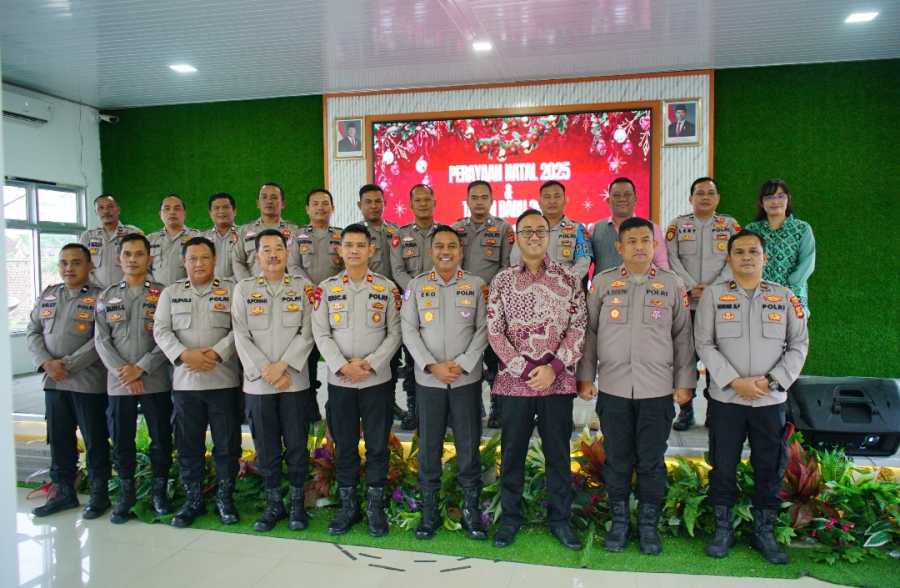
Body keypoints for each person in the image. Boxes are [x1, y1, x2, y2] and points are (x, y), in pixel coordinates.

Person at [577, 217, 695, 556]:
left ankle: (647, 525)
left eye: (645, 240)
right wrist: (585, 376)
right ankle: (619, 523)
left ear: (655, 245)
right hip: (614, 389)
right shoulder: (602, 283)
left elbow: (683, 338)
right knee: (616, 459)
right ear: (619, 247)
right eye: (632, 241)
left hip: (657, 391)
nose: (639, 246)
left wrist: (684, 383)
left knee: (651, 462)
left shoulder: (672, 284)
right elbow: (590, 333)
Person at [695, 230, 809, 564]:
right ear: (729, 259)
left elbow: (799, 345)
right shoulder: (714, 296)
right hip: (727, 400)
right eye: (739, 252)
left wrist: (772, 381)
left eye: (753, 252)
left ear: (765, 258)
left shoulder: (785, 297)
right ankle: (722, 529)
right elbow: (704, 343)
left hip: (769, 402)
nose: (747, 257)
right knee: (723, 465)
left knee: (769, 467)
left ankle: (764, 532)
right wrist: (734, 381)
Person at [487, 209, 586, 551]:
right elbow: (495, 331)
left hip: (557, 382)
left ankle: (560, 519)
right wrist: (524, 368)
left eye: (540, 231)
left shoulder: (569, 278)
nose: (534, 236)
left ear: (549, 236)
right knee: (512, 452)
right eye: (526, 231)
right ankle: (510, 519)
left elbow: (578, 327)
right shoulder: (502, 281)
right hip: (514, 383)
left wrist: (553, 368)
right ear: (516, 237)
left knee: (558, 453)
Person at [313, 224, 402, 537]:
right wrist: (342, 366)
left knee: (378, 445)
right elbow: (321, 333)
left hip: (376, 381)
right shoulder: (326, 289)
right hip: (341, 383)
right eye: (348, 245)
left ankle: (375, 507)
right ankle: (349, 507)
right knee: (345, 446)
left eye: (360, 245)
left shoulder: (386, 288)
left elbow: (395, 333)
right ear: (339, 250)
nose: (354, 250)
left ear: (371, 250)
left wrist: (371, 364)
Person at [401, 226, 488, 541]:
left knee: (468, 446)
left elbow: (484, 329)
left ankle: (470, 510)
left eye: (452, 246)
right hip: (429, 381)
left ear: (461, 250)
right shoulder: (416, 285)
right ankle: (429, 511)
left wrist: (463, 363)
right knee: (429, 447)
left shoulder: (476, 285)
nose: (445, 251)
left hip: (465, 380)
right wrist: (431, 365)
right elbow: (409, 330)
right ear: (431, 251)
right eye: (439, 246)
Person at [231, 229, 317, 532]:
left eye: (278, 248)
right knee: (266, 448)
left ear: (287, 252)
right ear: (256, 255)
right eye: (266, 249)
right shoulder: (243, 289)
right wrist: (266, 370)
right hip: (259, 384)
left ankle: (297, 506)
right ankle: (273, 505)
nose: (272, 255)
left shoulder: (303, 287)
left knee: (296, 445)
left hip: (293, 381)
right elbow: (240, 334)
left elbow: (309, 332)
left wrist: (283, 367)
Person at [153, 236, 242, 528]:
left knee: (227, 446)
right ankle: (193, 500)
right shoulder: (171, 293)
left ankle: (225, 499)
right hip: (186, 384)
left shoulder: (232, 290)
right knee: (189, 445)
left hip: (223, 381)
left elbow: (240, 328)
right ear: (184, 261)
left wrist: (217, 353)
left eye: (205, 257)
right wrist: (184, 355)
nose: (199, 263)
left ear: (214, 259)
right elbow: (161, 330)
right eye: (193, 258)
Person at [26, 243, 111, 519]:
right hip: (54, 383)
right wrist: (46, 362)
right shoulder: (49, 295)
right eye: (64, 262)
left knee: (95, 440)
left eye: (76, 262)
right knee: (60, 440)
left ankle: (99, 494)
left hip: (88, 383)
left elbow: (101, 339)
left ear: (90, 266)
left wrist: (67, 365)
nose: (69, 268)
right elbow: (33, 331)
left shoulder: (101, 297)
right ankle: (64, 492)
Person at [94, 234, 173, 524]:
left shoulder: (163, 294)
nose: (133, 259)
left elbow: (168, 336)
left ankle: (159, 493)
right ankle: (126, 496)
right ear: (119, 259)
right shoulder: (106, 296)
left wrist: (141, 368)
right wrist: (124, 372)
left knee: (161, 439)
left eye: (139, 254)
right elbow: (101, 340)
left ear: (149, 258)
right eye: (127, 254)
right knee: (121, 440)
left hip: (155, 380)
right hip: (119, 383)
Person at [665, 177, 742, 431]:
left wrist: (713, 288)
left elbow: (734, 259)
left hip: (718, 305)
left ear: (717, 198)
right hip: (686, 305)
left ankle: (714, 411)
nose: (705, 197)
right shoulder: (678, 225)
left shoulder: (729, 226)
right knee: (684, 359)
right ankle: (685, 412)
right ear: (691, 198)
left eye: (710, 193)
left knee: (717, 358)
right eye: (700, 193)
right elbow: (671, 258)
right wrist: (689, 285)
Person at [452, 180, 514, 428]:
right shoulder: (456, 229)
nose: (479, 202)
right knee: (468, 355)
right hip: (462, 304)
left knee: (494, 357)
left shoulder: (503, 229)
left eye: (484, 197)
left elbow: (507, 266)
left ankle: (497, 408)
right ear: (467, 201)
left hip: (493, 303)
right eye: (474, 197)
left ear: (491, 200)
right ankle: (473, 406)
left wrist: (489, 290)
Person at [288, 188, 344, 415]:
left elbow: (349, 266)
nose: (320, 207)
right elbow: (292, 266)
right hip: (307, 305)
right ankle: (310, 410)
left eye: (325, 203)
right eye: (315, 203)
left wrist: (329, 290)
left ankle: (336, 408)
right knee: (307, 358)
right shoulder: (297, 236)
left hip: (337, 304)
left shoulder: (342, 236)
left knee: (338, 354)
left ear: (333, 207)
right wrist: (312, 288)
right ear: (307, 208)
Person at [390, 184, 438, 431]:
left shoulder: (445, 234)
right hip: (412, 306)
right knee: (413, 360)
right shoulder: (400, 236)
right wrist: (418, 291)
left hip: (441, 305)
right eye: (418, 200)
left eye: (427, 199)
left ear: (434, 202)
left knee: (441, 355)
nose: (423, 204)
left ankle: (442, 411)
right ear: (410, 205)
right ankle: (414, 410)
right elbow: (397, 270)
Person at [357, 184, 405, 420]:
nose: (374, 206)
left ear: (384, 204)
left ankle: (390, 401)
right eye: (368, 202)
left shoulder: (396, 232)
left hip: (393, 303)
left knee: (392, 354)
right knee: (367, 351)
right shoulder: (355, 235)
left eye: (378, 201)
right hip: (364, 305)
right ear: (360, 205)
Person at [744, 179, 815, 315]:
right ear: (761, 202)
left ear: (788, 199)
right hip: (757, 296)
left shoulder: (802, 229)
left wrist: (787, 289)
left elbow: (807, 263)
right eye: (769, 197)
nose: (775, 201)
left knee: (793, 328)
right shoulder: (751, 230)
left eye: (780, 196)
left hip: (792, 297)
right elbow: (744, 261)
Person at [510, 181, 592, 279]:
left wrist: (565, 282)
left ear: (565, 200)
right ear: (539, 202)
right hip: (531, 284)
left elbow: (583, 262)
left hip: (566, 284)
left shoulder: (577, 229)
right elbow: (515, 260)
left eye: (557, 196)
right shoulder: (527, 229)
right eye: (547, 197)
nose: (552, 201)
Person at [590, 177, 669, 273]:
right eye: (616, 195)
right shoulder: (595, 229)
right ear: (608, 201)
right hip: (604, 283)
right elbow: (587, 263)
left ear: (635, 199)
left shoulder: (652, 228)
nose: (622, 199)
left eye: (627, 195)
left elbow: (662, 265)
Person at [232, 182, 299, 280]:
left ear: (283, 204)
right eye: (264, 197)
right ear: (258, 203)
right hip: (253, 287)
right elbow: (237, 261)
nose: (269, 201)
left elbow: (298, 264)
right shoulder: (244, 231)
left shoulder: (295, 231)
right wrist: (249, 285)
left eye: (274, 197)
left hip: (286, 287)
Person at [79, 194, 142, 288]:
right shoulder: (87, 236)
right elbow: (82, 266)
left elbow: (142, 263)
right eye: (101, 208)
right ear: (96, 212)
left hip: (126, 289)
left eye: (110, 207)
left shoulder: (133, 234)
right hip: (96, 291)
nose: (106, 211)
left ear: (118, 210)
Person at [147, 194, 201, 286]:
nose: (172, 212)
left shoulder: (197, 237)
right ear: (160, 214)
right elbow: (144, 270)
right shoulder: (150, 239)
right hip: (157, 292)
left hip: (188, 292)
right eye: (167, 208)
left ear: (184, 213)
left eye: (177, 208)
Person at [203, 192, 241, 278]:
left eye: (226, 207)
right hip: (210, 285)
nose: (221, 211)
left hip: (237, 285)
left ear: (234, 211)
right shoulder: (202, 238)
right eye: (216, 208)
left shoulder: (244, 235)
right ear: (210, 213)